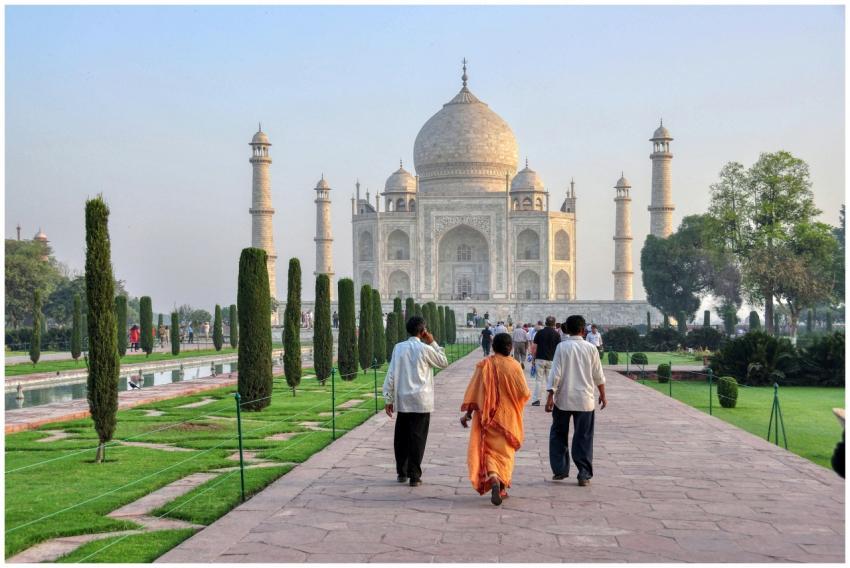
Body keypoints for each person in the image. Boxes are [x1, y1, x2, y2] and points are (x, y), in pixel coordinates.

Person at [460, 333, 530, 506]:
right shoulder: (515, 366)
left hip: (487, 417)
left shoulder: (484, 365)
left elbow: (474, 391)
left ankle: (493, 477)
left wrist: (468, 414)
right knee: (505, 454)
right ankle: (502, 486)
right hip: (508, 417)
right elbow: (524, 393)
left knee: (490, 452)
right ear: (510, 347)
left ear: (493, 347)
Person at [382, 315, 449, 486]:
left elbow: (391, 375)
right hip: (421, 400)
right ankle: (414, 476)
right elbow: (443, 362)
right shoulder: (425, 349)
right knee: (418, 439)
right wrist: (433, 342)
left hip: (403, 400)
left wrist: (388, 398)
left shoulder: (399, 348)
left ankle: (402, 473)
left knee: (401, 438)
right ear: (423, 331)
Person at [546, 315, 607, 486]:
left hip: (563, 398)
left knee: (558, 435)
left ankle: (560, 470)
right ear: (582, 330)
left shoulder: (562, 347)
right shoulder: (591, 348)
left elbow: (555, 373)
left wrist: (550, 396)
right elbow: (598, 375)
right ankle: (584, 474)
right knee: (584, 437)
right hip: (585, 400)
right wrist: (603, 394)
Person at [531, 317, 561, 406]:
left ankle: (536, 400)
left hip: (540, 358)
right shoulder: (556, 334)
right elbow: (558, 348)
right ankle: (549, 400)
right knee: (550, 381)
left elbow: (534, 347)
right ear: (554, 324)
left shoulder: (540, 332)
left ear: (545, 323)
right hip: (551, 359)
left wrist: (533, 358)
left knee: (538, 380)